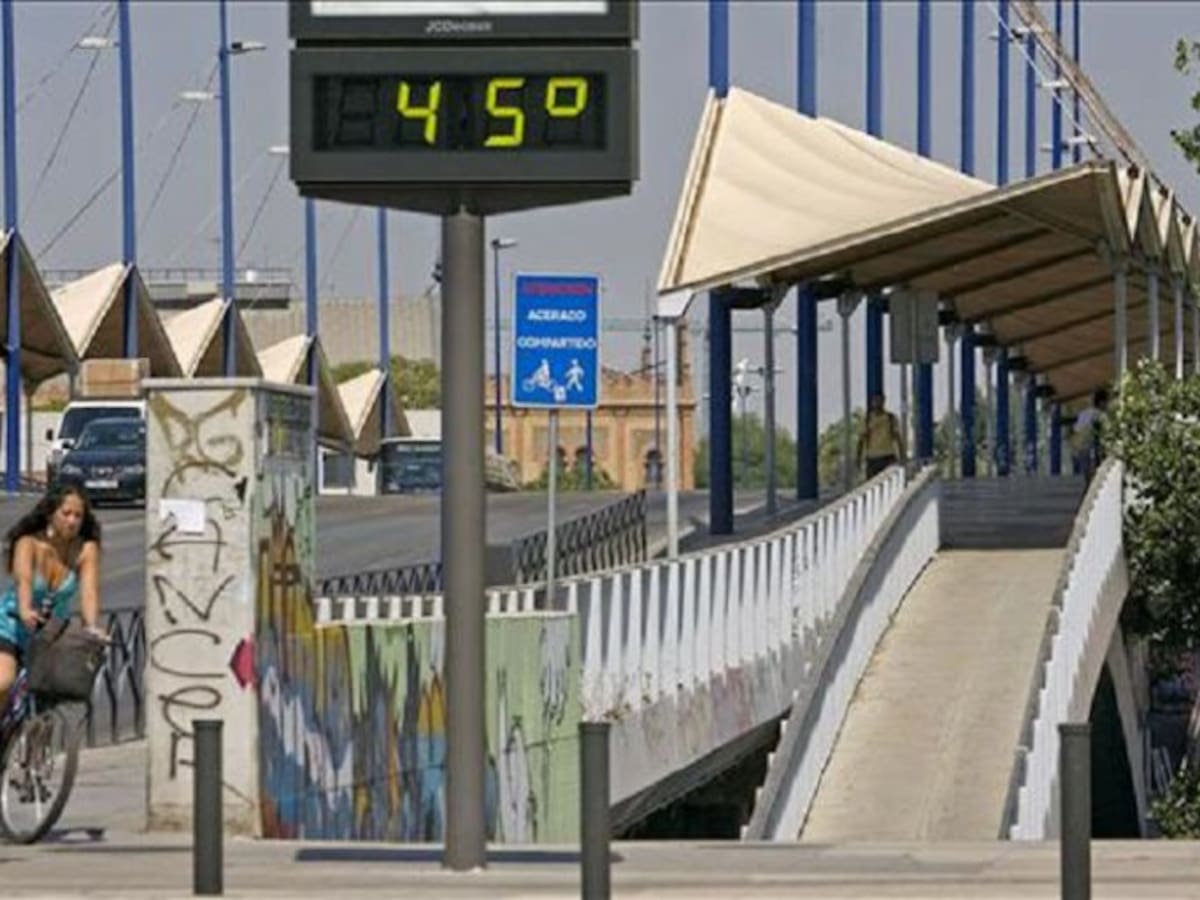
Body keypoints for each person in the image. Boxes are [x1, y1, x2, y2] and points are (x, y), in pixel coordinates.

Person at [0, 484, 103, 714]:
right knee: (3, 681)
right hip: (11, 626)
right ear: (50, 514)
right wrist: (25, 609)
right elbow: (24, 581)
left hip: (51, 634)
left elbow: (89, 592)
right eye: (66, 513)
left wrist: (91, 627)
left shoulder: (86, 549)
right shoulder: (28, 543)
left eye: (78, 515)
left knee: (54, 695)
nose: (72, 521)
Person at [857, 392, 906, 479]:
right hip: (872, 457)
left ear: (883, 401)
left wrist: (902, 456)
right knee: (872, 482)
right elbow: (861, 439)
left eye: (879, 400)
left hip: (888, 455)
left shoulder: (891, 418)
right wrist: (858, 458)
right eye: (875, 401)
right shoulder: (867, 419)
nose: (877, 403)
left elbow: (897, 437)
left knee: (889, 480)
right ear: (872, 402)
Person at [1070, 388, 1109, 482]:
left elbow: (1076, 429)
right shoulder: (1102, 415)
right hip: (1094, 447)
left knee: (1086, 471)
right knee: (1096, 471)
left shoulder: (1084, 413)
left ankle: (1087, 483)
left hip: (1081, 446)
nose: (1107, 405)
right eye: (1106, 402)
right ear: (1102, 402)